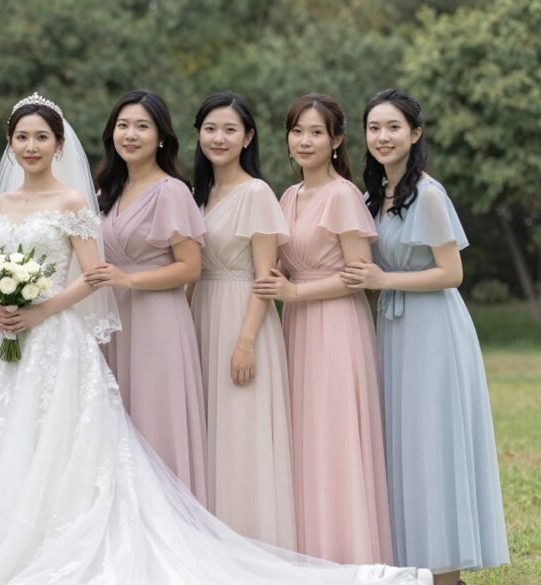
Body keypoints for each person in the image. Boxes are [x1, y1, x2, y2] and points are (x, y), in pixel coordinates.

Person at [0, 93, 430, 585]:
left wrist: (40, 312)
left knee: (81, 440)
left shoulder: (88, 202)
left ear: (61, 145)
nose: (31, 146)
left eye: (42, 137)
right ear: (10, 146)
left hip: (72, 331)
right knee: (6, 444)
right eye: (21, 138)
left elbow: (102, 273)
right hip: (9, 344)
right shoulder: (7, 204)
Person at [341, 89, 509, 585]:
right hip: (395, 332)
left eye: (393, 127)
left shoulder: (429, 194)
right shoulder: (375, 195)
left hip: (434, 331)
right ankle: (415, 566)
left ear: (415, 134)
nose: (382, 137)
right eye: (374, 128)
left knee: (433, 446)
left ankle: (447, 573)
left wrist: (382, 281)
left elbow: (451, 272)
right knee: (404, 444)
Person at [253, 93, 391, 565]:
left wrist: (295, 294)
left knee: (334, 436)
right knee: (303, 437)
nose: (305, 141)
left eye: (316, 132)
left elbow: (360, 272)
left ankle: (347, 553)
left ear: (336, 141)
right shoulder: (288, 196)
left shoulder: (343, 195)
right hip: (296, 328)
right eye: (297, 132)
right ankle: (307, 555)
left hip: (336, 327)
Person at [187, 91, 295, 548]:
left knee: (241, 435)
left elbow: (266, 275)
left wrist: (246, 341)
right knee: (209, 433)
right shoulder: (199, 193)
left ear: (248, 136)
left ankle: (251, 544)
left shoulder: (257, 193)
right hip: (201, 312)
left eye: (230, 129)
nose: (219, 137)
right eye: (211, 128)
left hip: (243, 317)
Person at [88, 89, 207, 501]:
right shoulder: (105, 192)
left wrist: (129, 280)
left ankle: (168, 522)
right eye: (123, 126)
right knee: (117, 422)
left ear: (161, 137)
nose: (131, 135)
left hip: (158, 319)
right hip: (113, 319)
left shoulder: (172, 191)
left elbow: (191, 268)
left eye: (142, 126)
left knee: (156, 422)